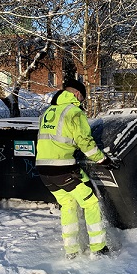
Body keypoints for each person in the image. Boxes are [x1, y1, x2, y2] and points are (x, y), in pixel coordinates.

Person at [36, 79, 112, 259]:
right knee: (90, 202)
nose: (81, 103)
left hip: (44, 171)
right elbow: (85, 143)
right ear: (77, 94)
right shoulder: (74, 112)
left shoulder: (48, 112)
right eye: (82, 99)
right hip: (63, 169)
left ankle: (71, 251)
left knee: (68, 204)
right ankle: (98, 248)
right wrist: (102, 160)